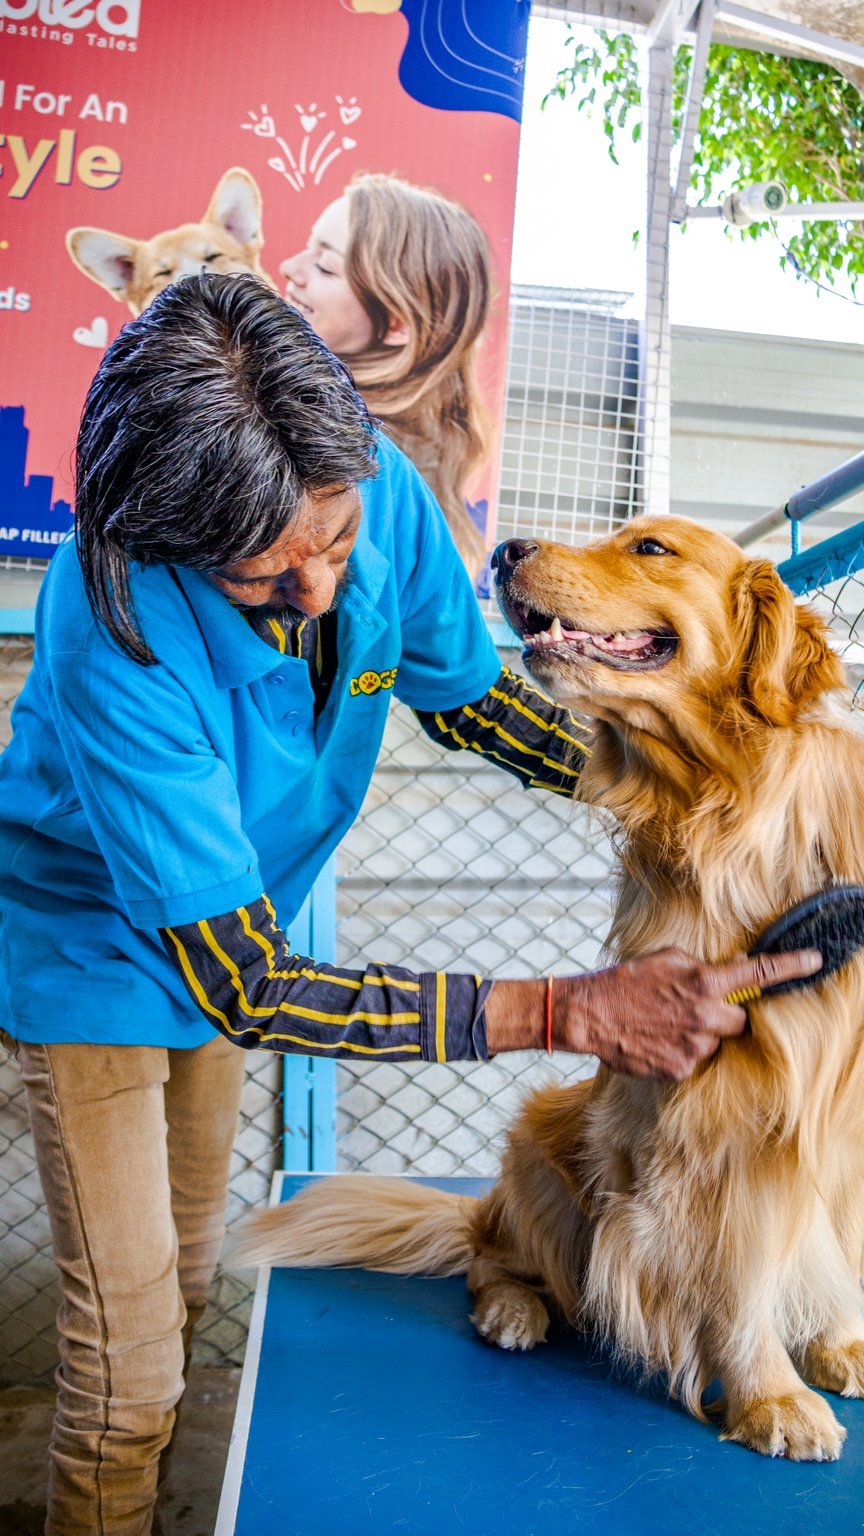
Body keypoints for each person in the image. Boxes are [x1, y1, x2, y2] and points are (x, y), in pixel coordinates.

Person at [0, 273, 819, 1536]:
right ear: (171, 541)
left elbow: (469, 697)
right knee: (130, 1366)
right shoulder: (117, 630)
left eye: (333, 543)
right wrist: (565, 1011)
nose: (319, 592)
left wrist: (668, 787)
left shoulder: (375, 482)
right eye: (263, 578)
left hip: (243, 914)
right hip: (95, 950)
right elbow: (248, 983)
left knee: (193, 1262)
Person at [280, 172, 492, 579]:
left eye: (325, 266)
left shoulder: (364, 474)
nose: (290, 268)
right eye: (309, 247)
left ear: (395, 324)